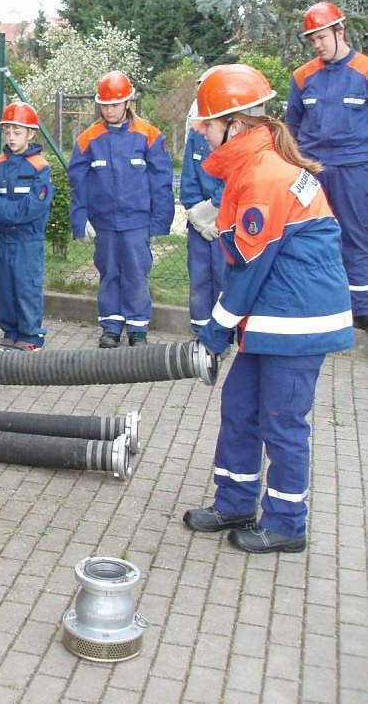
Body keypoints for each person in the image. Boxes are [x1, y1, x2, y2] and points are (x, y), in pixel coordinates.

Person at [183, 64, 354, 554]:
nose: (201, 131)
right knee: (241, 408)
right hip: (274, 318)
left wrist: (213, 332)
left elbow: (248, 268)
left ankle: (286, 522)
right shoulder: (257, 166)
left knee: (281, 420)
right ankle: (235, 501)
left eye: (208, 124)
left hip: (297, 322)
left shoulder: (265, 175)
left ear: (235, 126)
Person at [68, 70, 174, 348]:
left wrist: (159, 223)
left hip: (136, 221)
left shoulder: (149, 135)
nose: (109, 109)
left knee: (136, 274)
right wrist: (80, 219)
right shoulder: (88, 139)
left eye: (114, 104)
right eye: (104, 104)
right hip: (104, 222)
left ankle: (138, 329)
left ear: (127, 103)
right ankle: (111, 327)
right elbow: (77, 183)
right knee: (109, 273)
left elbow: (161, 181)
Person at [285, 1, 368, 333]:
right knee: (310, 237)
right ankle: (315, 305)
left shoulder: (363, 71)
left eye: (321, 37)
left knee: (355, 238)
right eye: (312, 40)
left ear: (339, 31)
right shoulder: (303, 76)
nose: (317, 44)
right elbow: (291, 128)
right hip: (314, 171)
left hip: (353, 169)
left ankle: (360, 311)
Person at [0, 102, 54, 351]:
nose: (11, 137)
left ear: (31, 133)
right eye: (8, 131)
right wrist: (8, 214)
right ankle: (10, 332)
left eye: (17, 132)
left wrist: (8, 214)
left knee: (26, 285)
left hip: (28, 240)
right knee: (6, 287)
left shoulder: (41, 167)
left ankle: (31, 336)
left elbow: (36, 203)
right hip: (3, 239)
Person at [181, 68, 227, 334]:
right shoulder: (196, 135)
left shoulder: (232, 132)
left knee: (224, 277)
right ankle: (200, 331)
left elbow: (232, 182)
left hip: (224, 224)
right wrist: (197, 219)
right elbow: (188, 179)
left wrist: (217, 217)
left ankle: (222, 332)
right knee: (199, 277)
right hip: (199, 224)